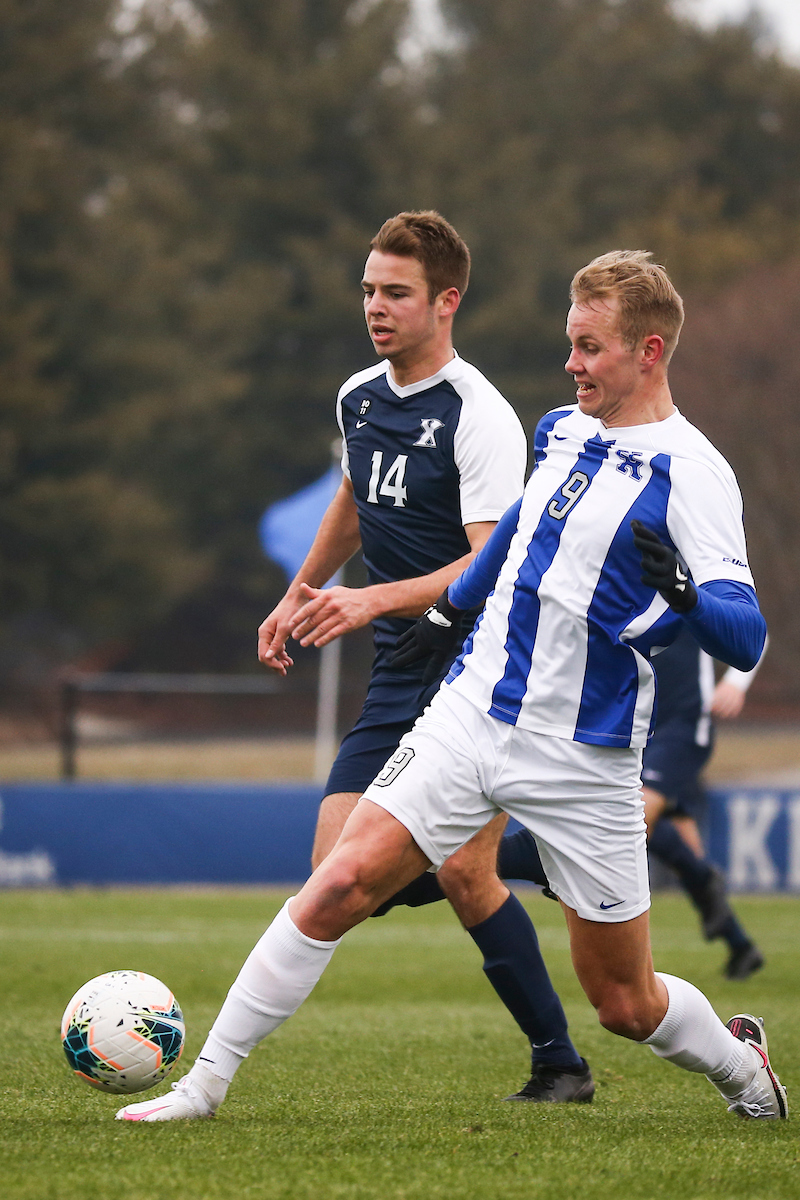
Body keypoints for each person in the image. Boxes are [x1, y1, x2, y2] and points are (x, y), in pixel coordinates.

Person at [117, 250, 785, 1125]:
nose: (572, 364)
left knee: (625, 1005)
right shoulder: (563, 429)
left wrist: (685, 590)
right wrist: (446, 613)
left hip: (584, 754)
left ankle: (744, 1071)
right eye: (569, 344)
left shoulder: (693, 472)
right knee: (338, 883)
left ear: (650, 350)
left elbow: (748, 631)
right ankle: (201, 1087)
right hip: (471, 712)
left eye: (589, 348)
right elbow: (513, 533)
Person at [642, 628, 766, 979]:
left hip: (683, 724)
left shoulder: (689, 574)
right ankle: (740, 945)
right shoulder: (615, 579)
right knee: (673, 843)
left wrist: (737, 682)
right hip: (637, 724)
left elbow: (754, 626)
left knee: (632, 821)